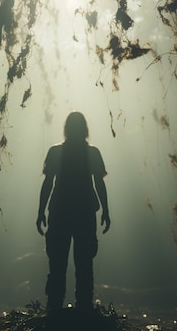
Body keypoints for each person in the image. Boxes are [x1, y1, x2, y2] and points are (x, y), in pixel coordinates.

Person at [36, 111, 110, 315]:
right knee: (84, 264)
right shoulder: (92, 153)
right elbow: (99, 184)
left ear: (66, 129)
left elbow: (48, 183)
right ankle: (83, 309)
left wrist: (41, 211)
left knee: (58, 265)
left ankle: (54, 310)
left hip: (60, 212)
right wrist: (105, 210)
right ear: (85, 129)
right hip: (84, 213)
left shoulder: (56, 152)